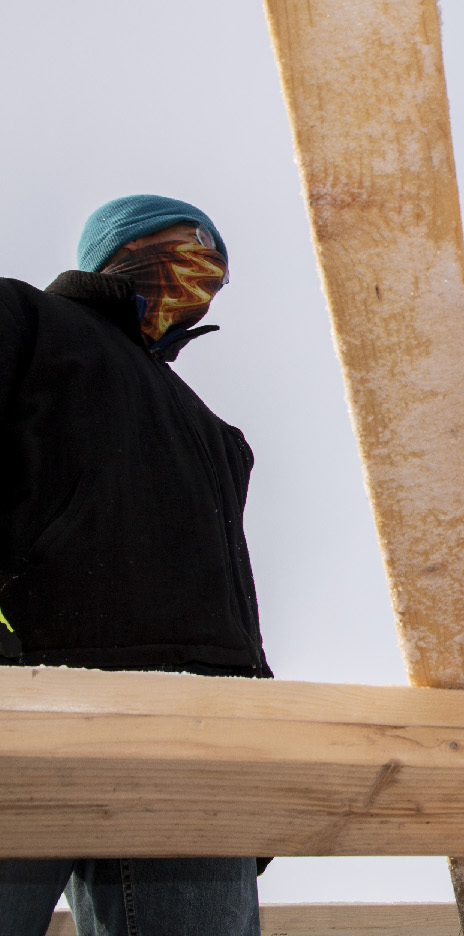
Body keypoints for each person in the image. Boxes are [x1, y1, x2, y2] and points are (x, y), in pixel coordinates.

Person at [0, 194, 268, 936]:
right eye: (187, 245)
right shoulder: (26, 321)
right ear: (120, 247)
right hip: (32, 693)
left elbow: (230, 593)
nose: (205, 273)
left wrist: (252, 724)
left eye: (217, 267)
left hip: (195, 728)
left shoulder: (217, 435)